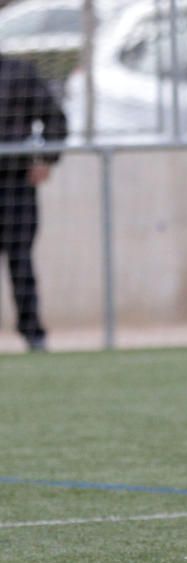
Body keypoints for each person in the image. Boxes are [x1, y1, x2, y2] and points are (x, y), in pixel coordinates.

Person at [0, 53, 67, 351]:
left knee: (20, 260)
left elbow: (54, 116)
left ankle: (33, 333)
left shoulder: (18, 72)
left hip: (14, 181)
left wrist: (46, 158)